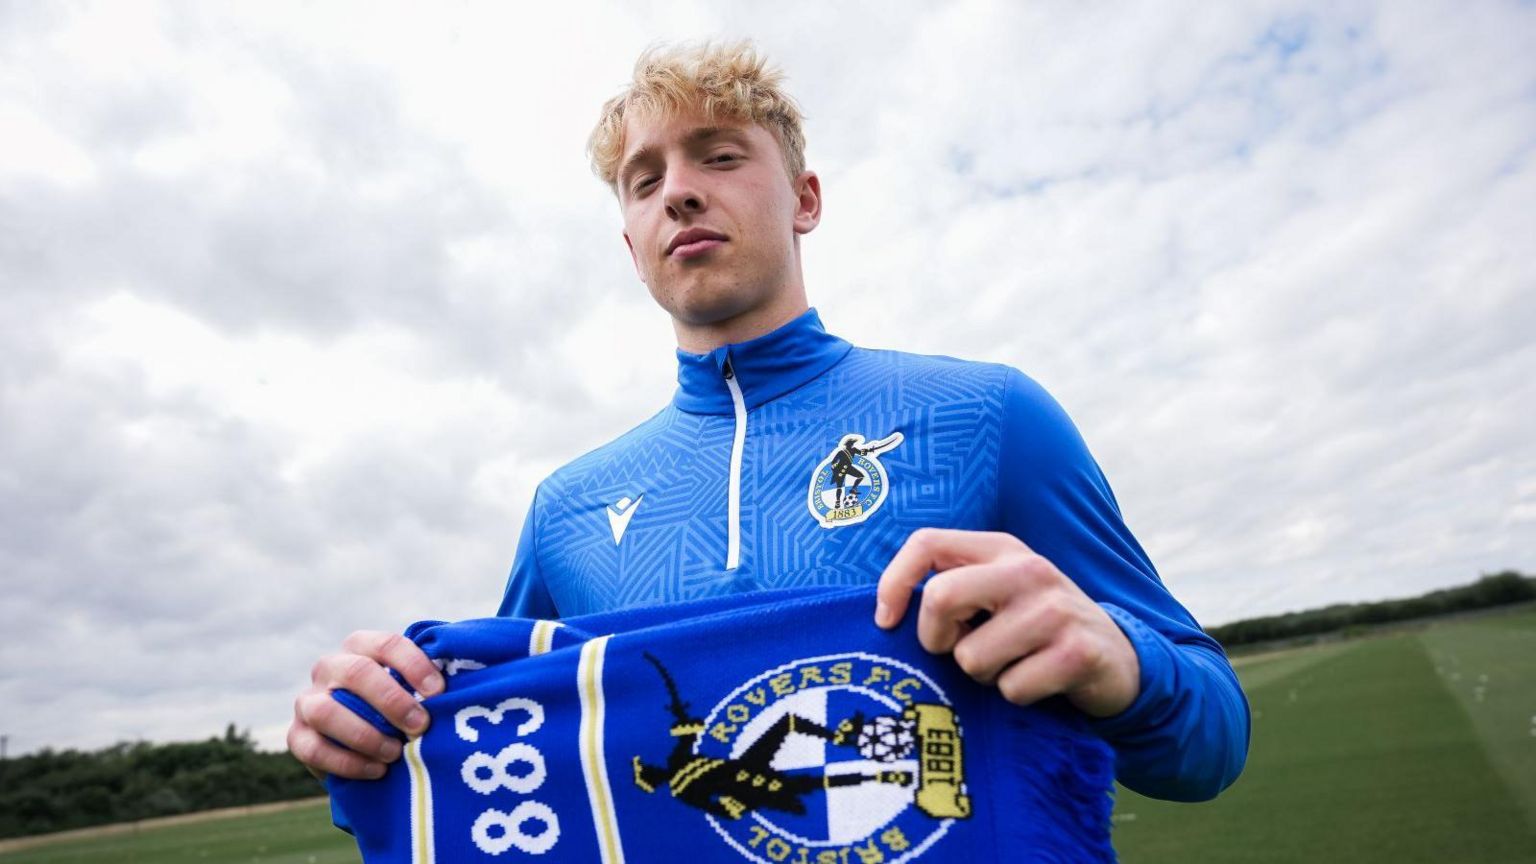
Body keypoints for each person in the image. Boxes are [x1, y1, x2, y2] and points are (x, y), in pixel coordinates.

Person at [288, 41, 1248, 804]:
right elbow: (505, 751)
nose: (680, 191)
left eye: (720, 154)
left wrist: (1121, 661)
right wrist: (370, 726)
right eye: (643, 177)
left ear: (805, 199)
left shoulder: (988, 414)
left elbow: (1211, 743)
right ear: (631, 243)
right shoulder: (565, 508)